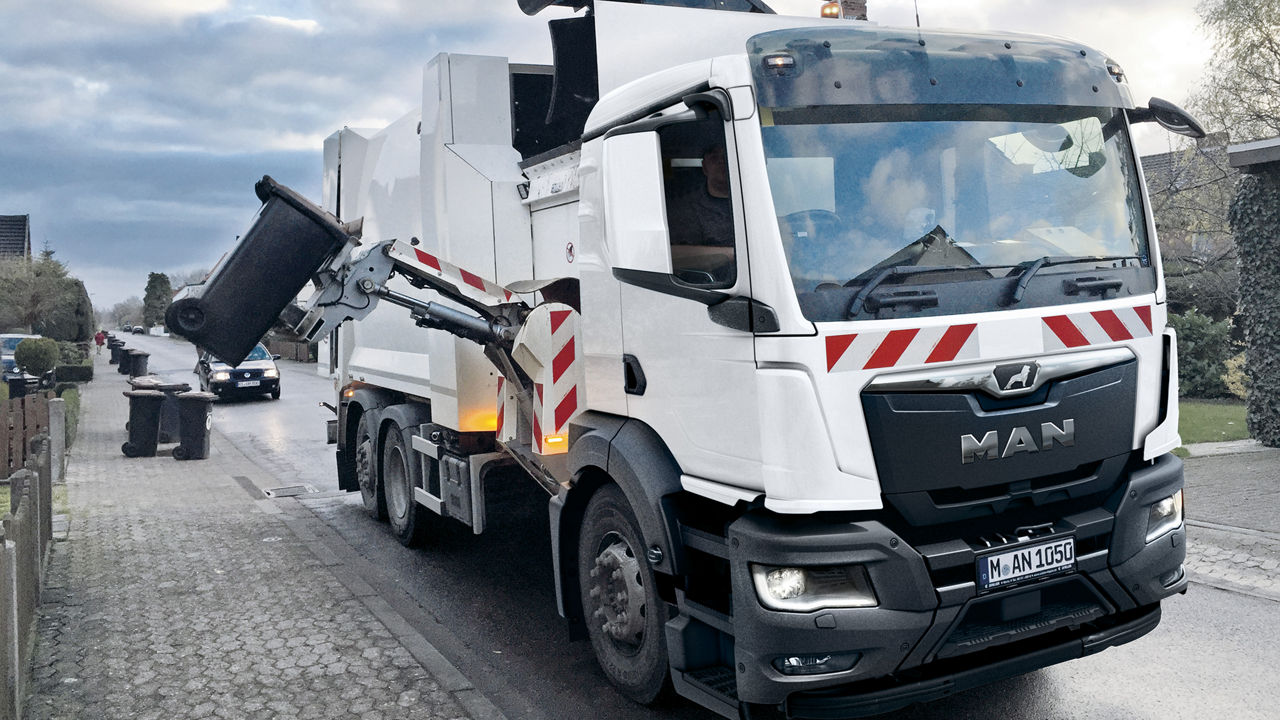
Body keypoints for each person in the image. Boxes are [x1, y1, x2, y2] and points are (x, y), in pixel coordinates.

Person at [667, 144, 735, 248]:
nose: (721, 161)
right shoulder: (686, 209)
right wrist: (731, 254)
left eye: (727, 156)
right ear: (704, 167)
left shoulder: (761, 200)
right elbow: (680, 254)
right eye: (714, 157)